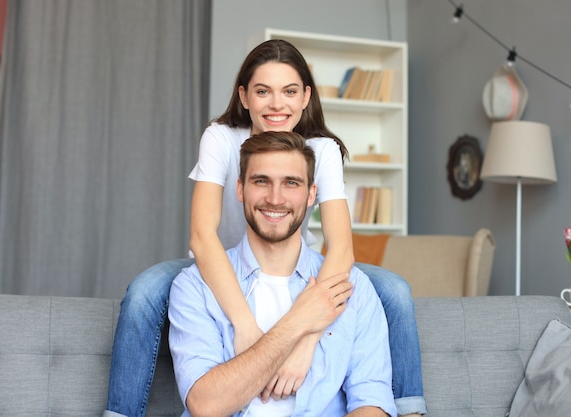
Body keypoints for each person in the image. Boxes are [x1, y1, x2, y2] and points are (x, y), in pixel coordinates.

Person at [104, 39, 426, 417]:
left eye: (289, 91)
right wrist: (245, 325)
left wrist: (306, 339)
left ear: (306, 97)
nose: (277, 105)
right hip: (217, 263)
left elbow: (340, 248)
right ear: (244, 96)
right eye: (262, 91)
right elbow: (202, 237)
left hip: (291, 260)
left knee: (392, 290)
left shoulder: (321, 150)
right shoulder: (222, 138)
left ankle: (410, 410)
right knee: (145, 292)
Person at [169, 130, 396, 417]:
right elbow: (206, 405)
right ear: (240, 189)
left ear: (312, 193)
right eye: (261, 181)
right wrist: (298, 322)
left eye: (291, 183)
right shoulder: (194, 287)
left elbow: (371, 402)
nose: (275, 198)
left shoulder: (354, 289)